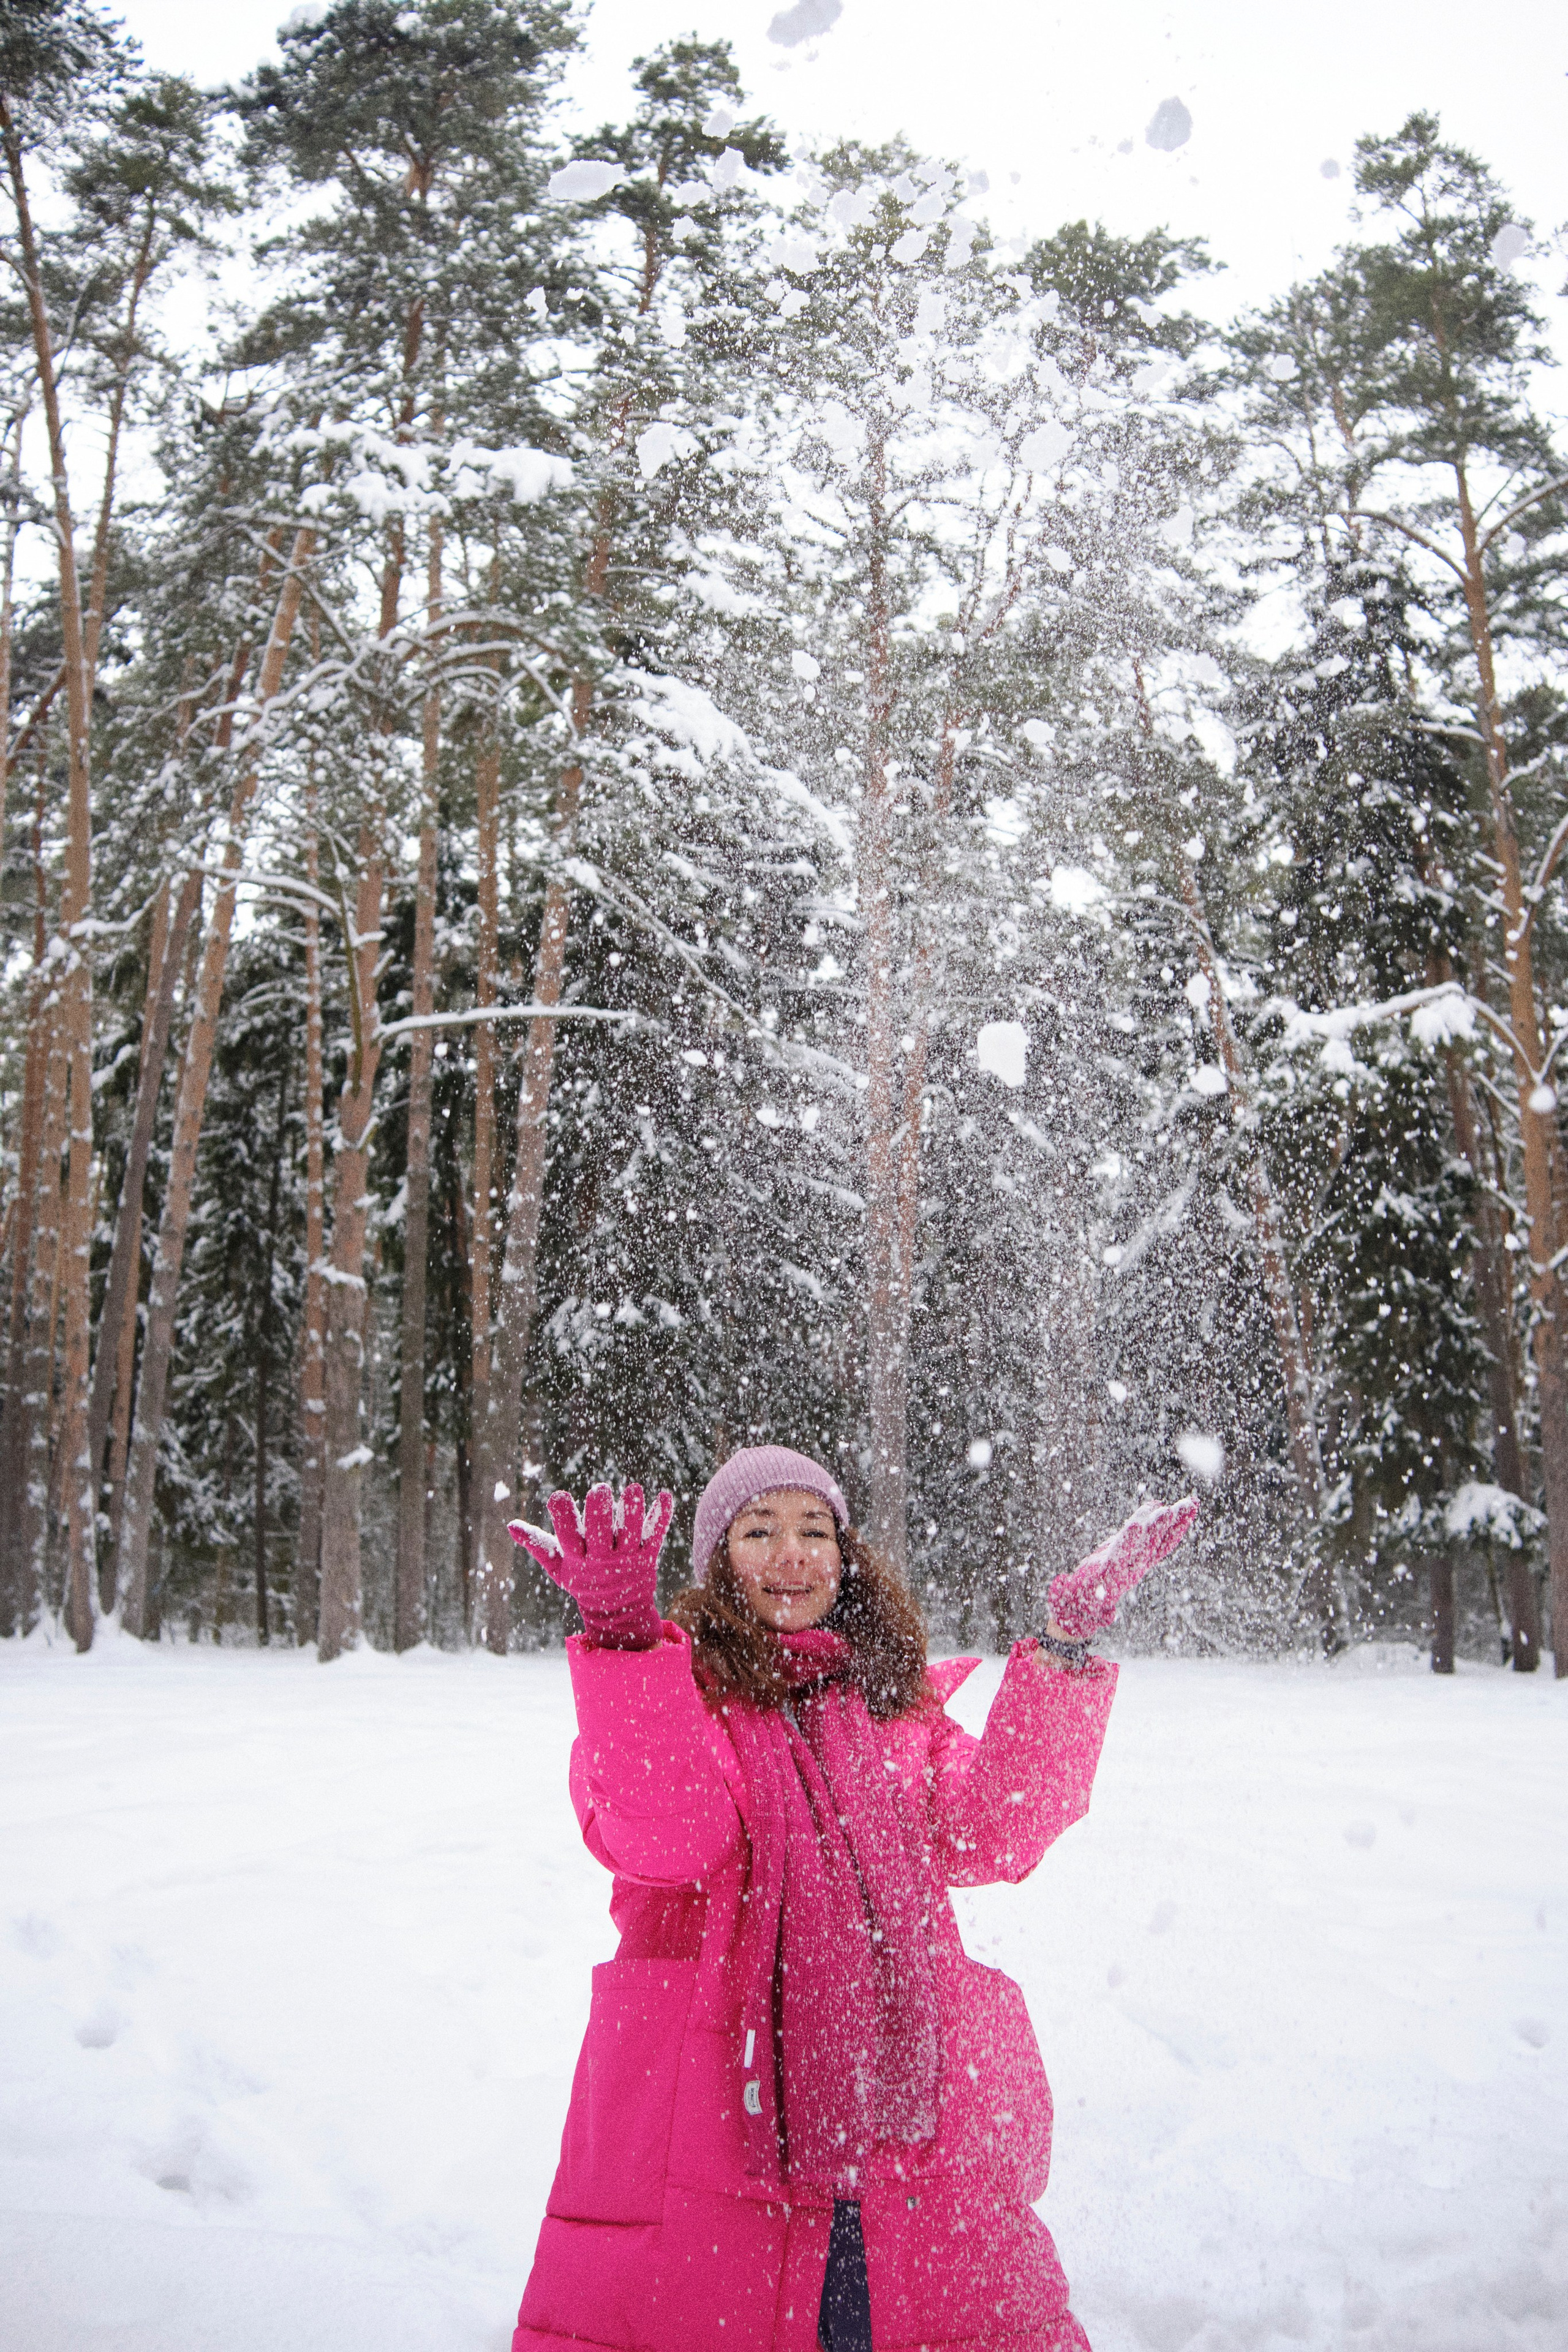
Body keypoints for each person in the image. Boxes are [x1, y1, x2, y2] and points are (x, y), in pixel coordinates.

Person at [507, 1444, 1197, 2352]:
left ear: (846, 1555)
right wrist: (629, 1646)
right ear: (718, 1564)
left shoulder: (896, 1712)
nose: (791, 1554)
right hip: (717, 2118)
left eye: (813, 1530)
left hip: (898, 2124)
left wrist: (1065, 1649)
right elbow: (669, 1841)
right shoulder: (685, 1704)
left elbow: (998, 1829)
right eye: (759, 1531)